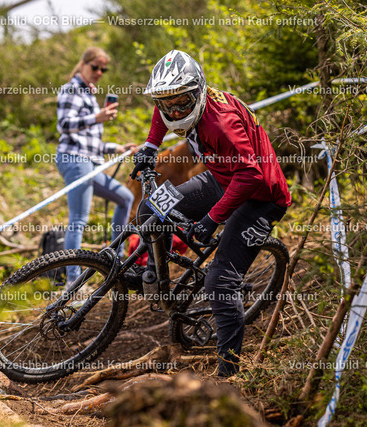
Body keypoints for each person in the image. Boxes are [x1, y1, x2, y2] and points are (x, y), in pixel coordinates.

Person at [130, 50, 292, 377]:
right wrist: (150, 147)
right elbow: (162, 112)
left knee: (220, 283)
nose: (176, 111)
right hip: (221, 179)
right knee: (149, 209)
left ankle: (228, 374)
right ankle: (159, 278)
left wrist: (212, 218)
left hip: (260, 196)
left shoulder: (221, 124)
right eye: (168, 103)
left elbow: (251, 175)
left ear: (198, 91)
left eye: (182, 103)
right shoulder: (180, 103)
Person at [56, 47, 137, 285]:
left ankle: (115, 263)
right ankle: (73, 283)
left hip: (89, 161)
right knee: (79, 219)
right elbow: (64, 125)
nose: (99, 72)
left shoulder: (89, 93)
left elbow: (91, 142)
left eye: (103, 69)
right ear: (83, 64)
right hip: (74, 159)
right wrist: (97, 118)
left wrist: (118, 147)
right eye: (95, 67)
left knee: (125, 198)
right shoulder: (71, 89)